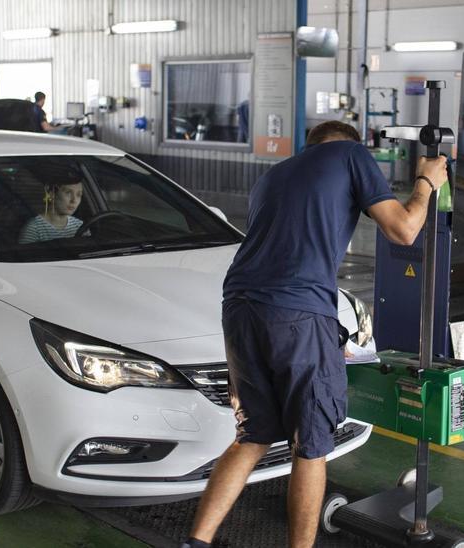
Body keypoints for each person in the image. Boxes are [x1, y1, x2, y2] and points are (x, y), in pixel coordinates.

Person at [183, 121, 448, 548]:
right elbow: (404, 230)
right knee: (311, 442)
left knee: (252, 435)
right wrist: (425, 182)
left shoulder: (272, 178)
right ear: (346, 144)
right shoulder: (350, 155)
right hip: (298, 312)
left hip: (240, 310)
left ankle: (195, 541)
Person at [19, 177, 83, 244]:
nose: (74, 200)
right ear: (51, 194)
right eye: (68, 193)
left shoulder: (79, 226)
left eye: (79, 195)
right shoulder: (34, 229)